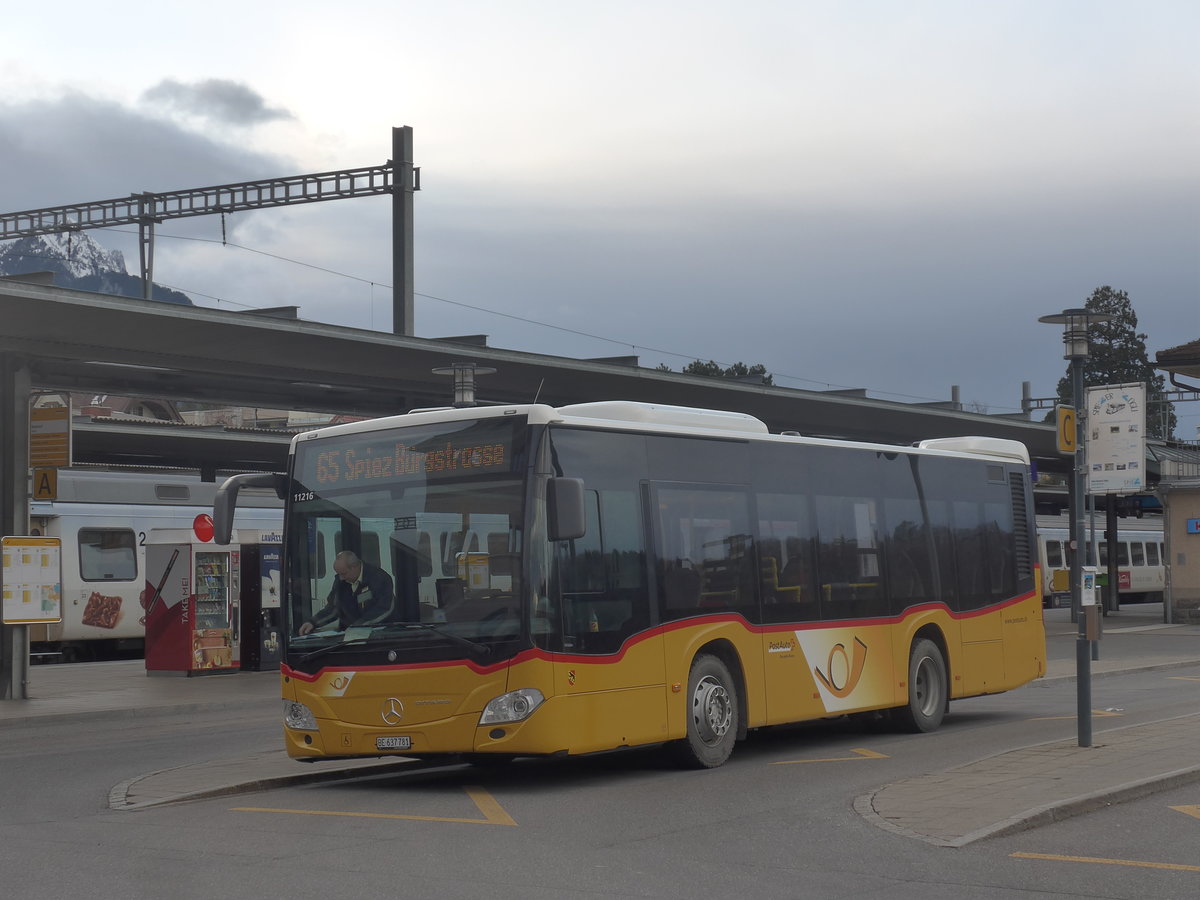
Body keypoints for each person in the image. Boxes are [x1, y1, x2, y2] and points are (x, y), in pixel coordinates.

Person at [298, 550, 395, 634]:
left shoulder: (379, 578)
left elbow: (385, 608)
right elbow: (334, 608)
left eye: (343, 574)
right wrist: (313, 623)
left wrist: (359, 626)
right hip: (350, 637)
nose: (341, 578)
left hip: (380, 635)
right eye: (338, 574)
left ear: (354, 567)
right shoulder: (341, 582)